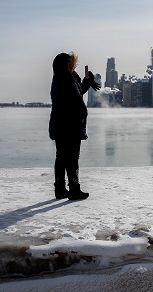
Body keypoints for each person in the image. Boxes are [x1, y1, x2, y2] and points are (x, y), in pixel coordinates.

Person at [49, 52, 100, 200]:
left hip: (60, 124)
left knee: (61, 157)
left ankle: (60, 189)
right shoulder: (67, 79)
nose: (74, 65)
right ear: (66, 65)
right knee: (72, 158)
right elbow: (76, 98)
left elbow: (75, 94)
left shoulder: (60, 78)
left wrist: (85, 82)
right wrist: (85, 82)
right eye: (72, 63)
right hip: (70, 124)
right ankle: (74, 189)